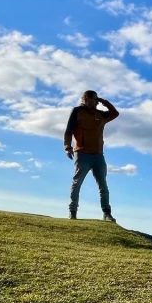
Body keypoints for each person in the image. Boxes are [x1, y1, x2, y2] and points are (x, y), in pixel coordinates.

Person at [64, 90, 120, 222]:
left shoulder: (100, 114)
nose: (96, 101)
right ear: (85, 99)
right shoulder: (77, 111)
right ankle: (72, 213)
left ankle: (107, 214)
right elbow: (68, 130)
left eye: (97, 99)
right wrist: (68, 147)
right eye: (94, 99)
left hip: (98, 156)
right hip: (82, 154)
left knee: (103, 185)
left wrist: (104, 102)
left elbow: (115, 113)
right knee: (77, 183)